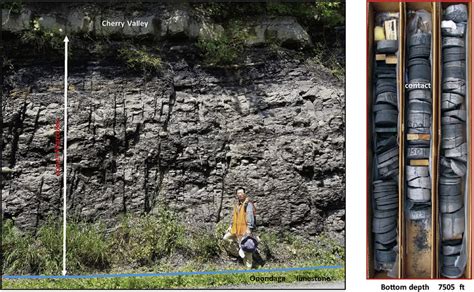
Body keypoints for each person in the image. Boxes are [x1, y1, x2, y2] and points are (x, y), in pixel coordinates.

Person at [222, 187, 256, 268]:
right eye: (238, 193)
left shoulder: (248, 204)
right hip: (235, 229)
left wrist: (249, 228)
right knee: (226, 238)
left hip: (244, 230)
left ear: (245, 194)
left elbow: (250, 216)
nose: (240, 195)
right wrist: (230, 226)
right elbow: (235, 217)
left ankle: (248, 267)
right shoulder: (237, 204)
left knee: (247, 248)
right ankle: (239, 254)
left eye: (241, 193)